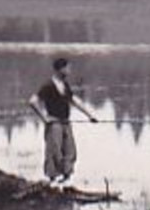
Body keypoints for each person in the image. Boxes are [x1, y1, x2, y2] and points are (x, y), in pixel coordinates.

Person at [27, 57, 99, 185]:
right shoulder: (48, 85)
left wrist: (90, 116)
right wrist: (45, 119)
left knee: (70, 151)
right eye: (67, 68)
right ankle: (52, 181)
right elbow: (32, 102)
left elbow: (74, 101)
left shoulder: (65, 85)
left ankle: (66, 181)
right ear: (60, 69)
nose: (69, 71)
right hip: (54, 123)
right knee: (54, 152)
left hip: (66, 123)